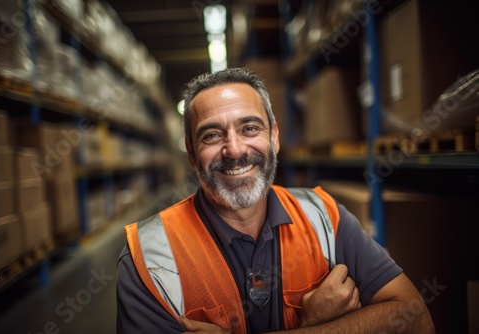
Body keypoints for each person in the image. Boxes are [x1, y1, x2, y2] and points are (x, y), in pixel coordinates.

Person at [116, 67, 435, 333]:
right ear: (191, 153)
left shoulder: (322, 215)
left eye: (249, 127)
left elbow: (414, 317)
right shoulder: (150, 256)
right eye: (212, 135)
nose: (235, 150)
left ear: (275, 137)